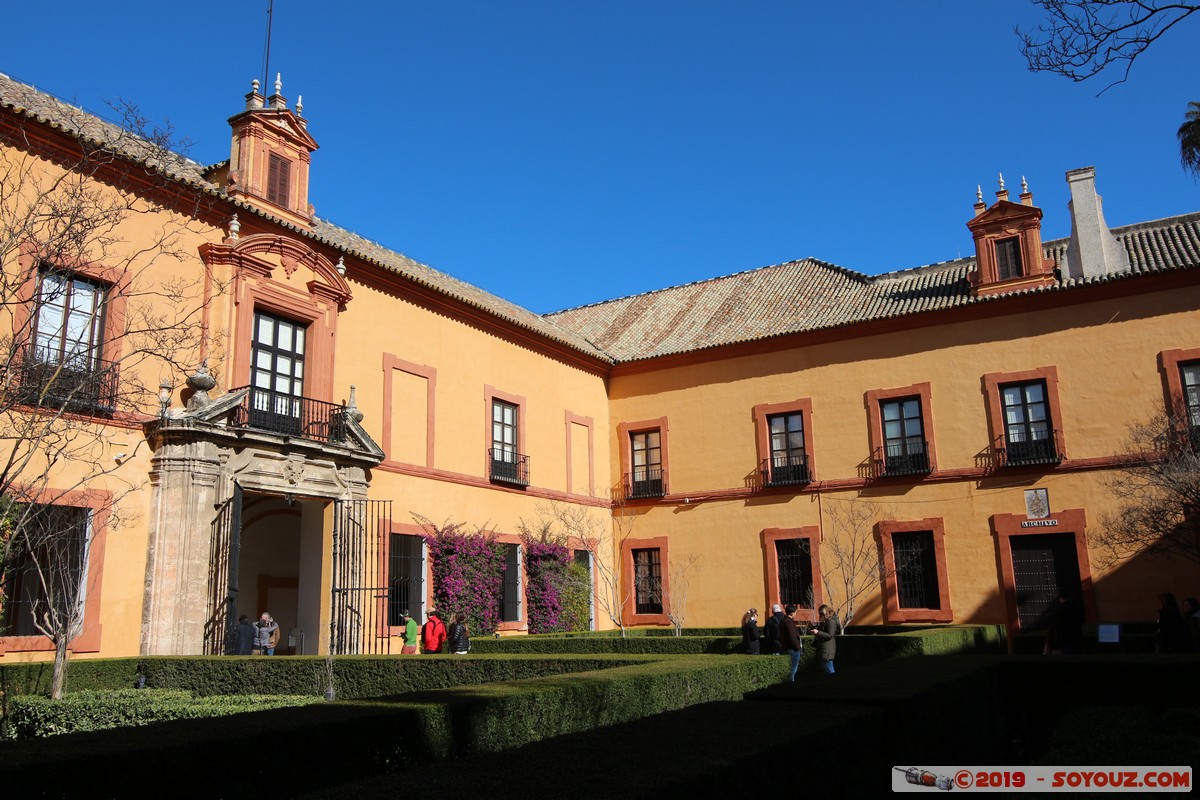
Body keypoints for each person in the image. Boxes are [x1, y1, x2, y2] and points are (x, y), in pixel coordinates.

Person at [809, 604, 840, 674]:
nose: (820, 615)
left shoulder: (831, 622)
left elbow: (830, 635)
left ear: (826, 613)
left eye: (821, 614)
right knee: (826, 669)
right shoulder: (825, 622)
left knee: (829, 670)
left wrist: (817, 632)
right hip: (823, 649)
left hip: (827, 650)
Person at [779, 603, 804, 681]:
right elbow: (792, 637)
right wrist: (798, 648)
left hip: (787, 647)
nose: (796, 614)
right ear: (792, 613)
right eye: (796, 612)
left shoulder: (783, 621)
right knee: (793, 670)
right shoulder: (789, 622)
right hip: (792, 649)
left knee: (790, 669)